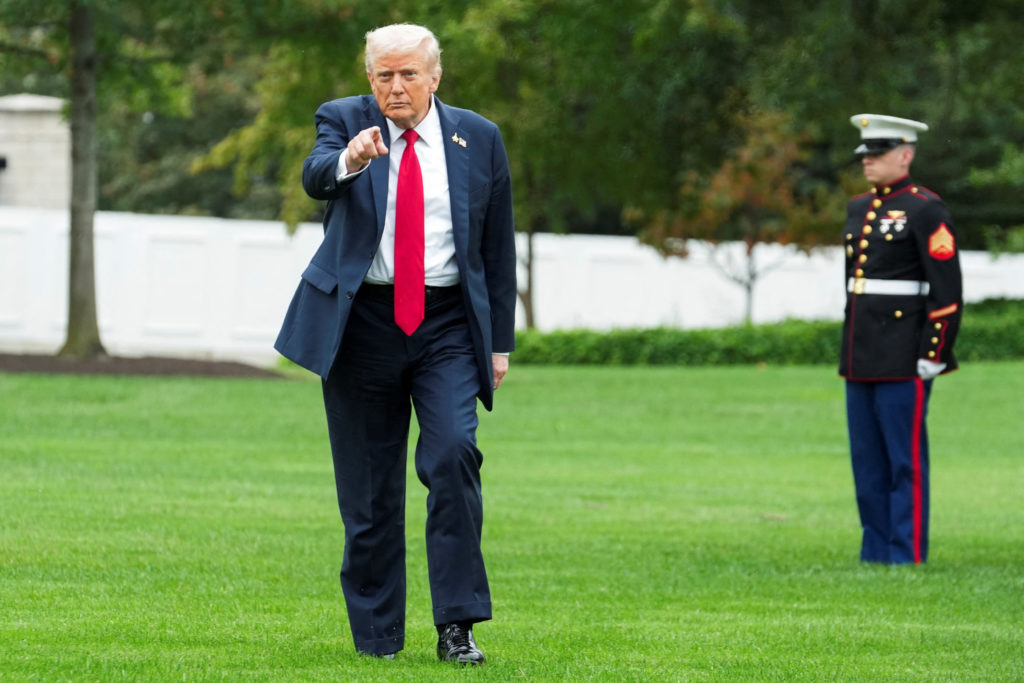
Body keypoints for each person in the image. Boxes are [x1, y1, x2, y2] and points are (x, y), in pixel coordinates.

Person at [274, 23, 516, 663]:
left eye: (409, 74)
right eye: (384, 75)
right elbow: (317, 175)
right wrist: (351, 159)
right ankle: (378, 637)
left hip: (447, 329)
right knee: (370, 490)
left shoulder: (479, 137)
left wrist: (500, 344)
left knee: (454, 456)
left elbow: (497, 247)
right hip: (362, 327)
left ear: (435, 77)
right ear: (369, 78)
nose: (395, 86)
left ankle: (457, 626)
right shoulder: (344, 119)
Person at [839, 113, 962, 565]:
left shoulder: (926, 208)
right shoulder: (858, 208)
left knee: (903, 461)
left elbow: (947, 291)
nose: (867, 161)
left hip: (905, 355)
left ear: (905, 154)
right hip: (861, 352)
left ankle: (905, 552)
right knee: (867, 461)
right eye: (865, 153)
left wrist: (934, 353)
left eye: (878, 153)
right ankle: (874, 550)